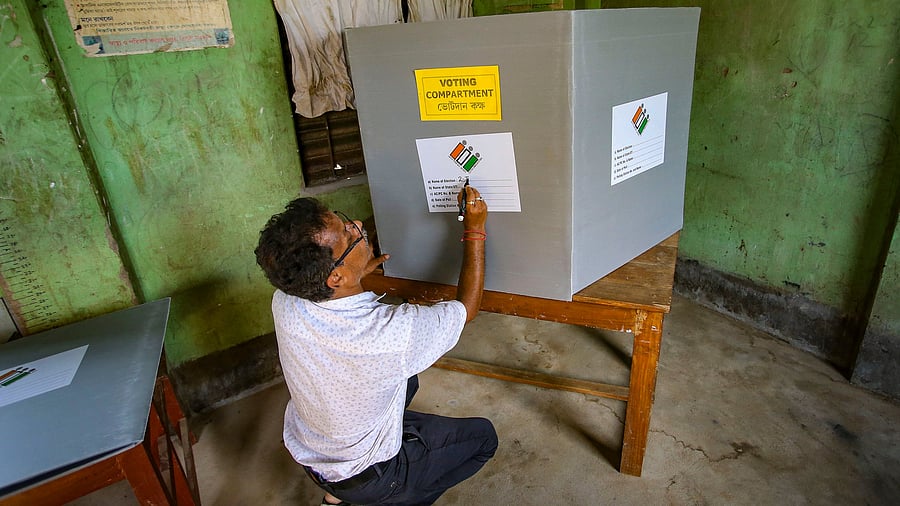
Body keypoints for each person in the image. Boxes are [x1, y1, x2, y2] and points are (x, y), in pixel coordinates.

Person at [254, 185, 497, 505]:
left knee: (407, 379)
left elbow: (334, 293)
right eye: (347, 233)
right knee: (484, 440)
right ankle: (399, 497)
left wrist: (354, 276)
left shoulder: (285, 298)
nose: (356, 224)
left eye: (344, 221)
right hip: (372, 476)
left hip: (310, 452)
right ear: (335, 278)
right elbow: (467, 308)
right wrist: (475, 228)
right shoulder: (391, 334)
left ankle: (333, 498)